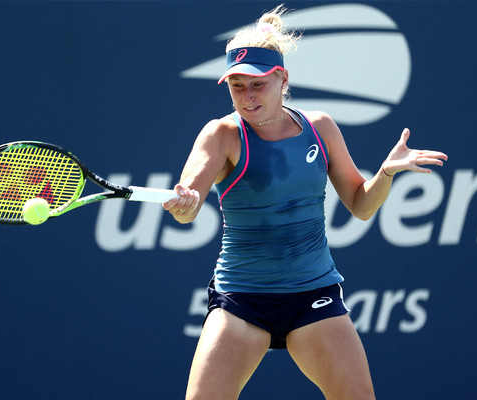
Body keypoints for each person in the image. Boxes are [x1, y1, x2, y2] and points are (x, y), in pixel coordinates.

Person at [163, 5, 447, 400]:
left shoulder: (321, 128)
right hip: (242, 298)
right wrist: (186, 203)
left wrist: (384, 174)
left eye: (257, 84)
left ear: (282, 79)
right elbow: (188, 201)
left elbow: (361, 206)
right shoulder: (221, 134)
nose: (246, 97)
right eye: (236, 86)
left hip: (313, 293)